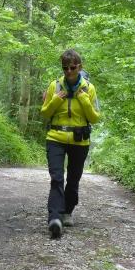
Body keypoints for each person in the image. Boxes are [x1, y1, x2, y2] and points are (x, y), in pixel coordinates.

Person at [41, 49, 101, 239]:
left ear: (79, 67)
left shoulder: (89, 89)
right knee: (57, 178)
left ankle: (67, 211)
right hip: (55, 137)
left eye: (72, 68)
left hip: (79, 140)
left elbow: (95, 117)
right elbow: (45, 113)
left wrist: (83, 100)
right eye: (65, 68)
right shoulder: (55, 86)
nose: (68, 71)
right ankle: (55, 218)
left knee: (73, 179)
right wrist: (55, 101)